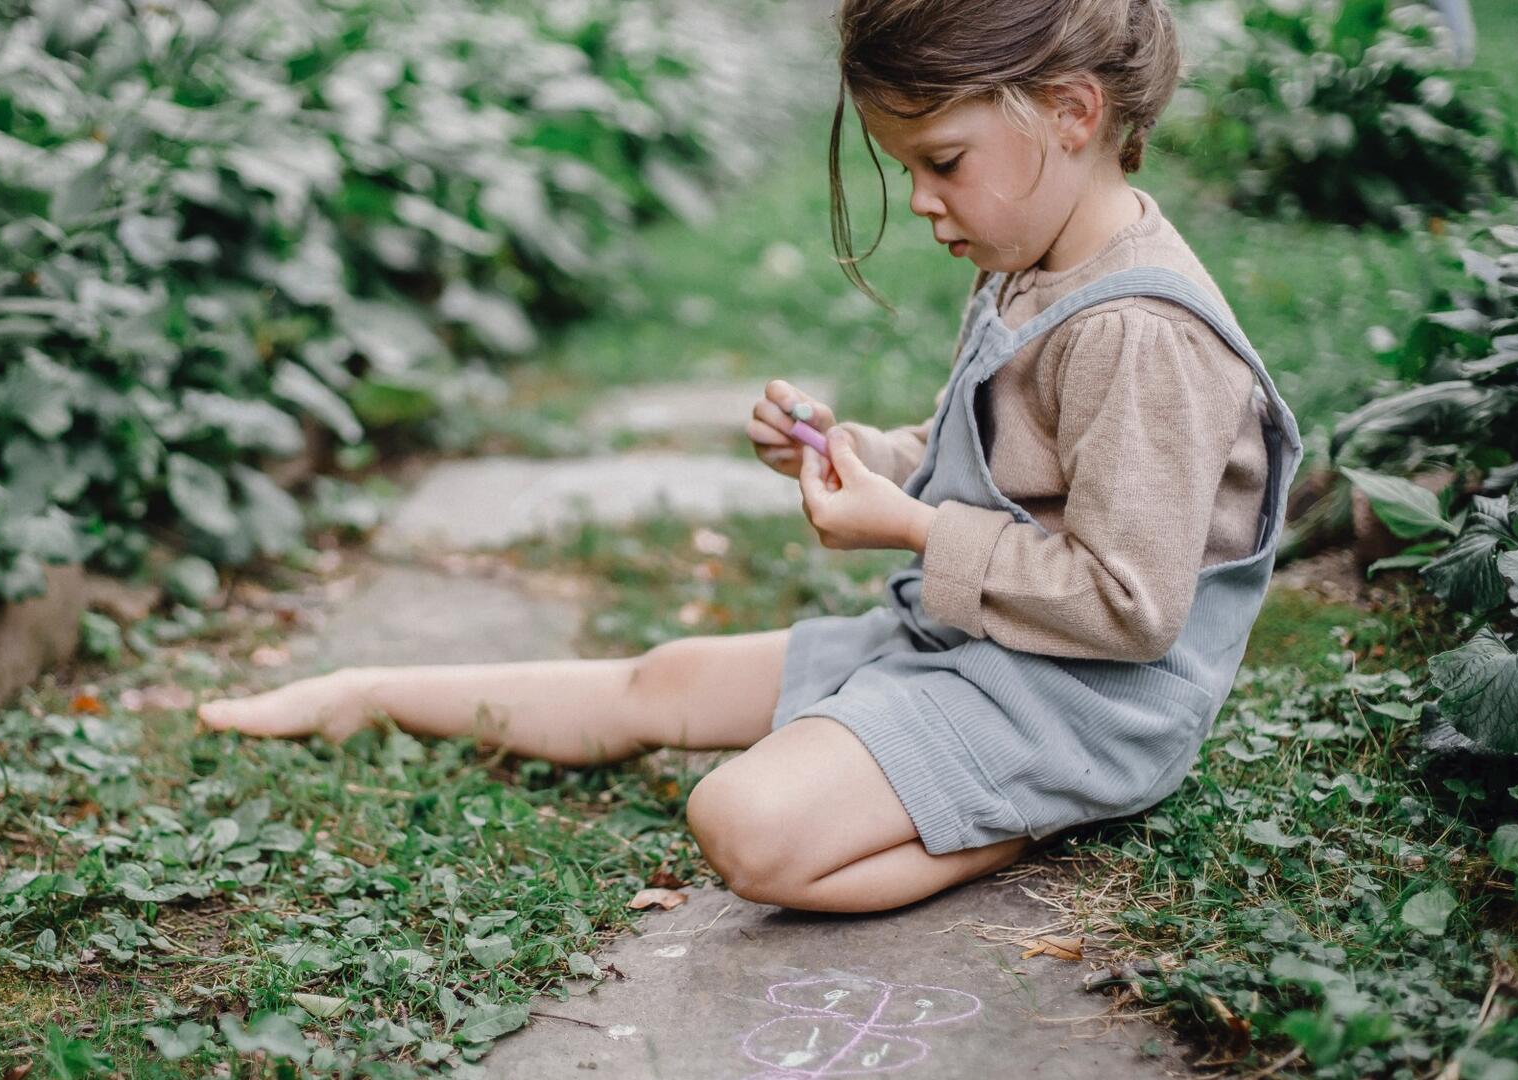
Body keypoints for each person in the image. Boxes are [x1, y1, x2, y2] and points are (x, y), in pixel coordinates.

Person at [198, 0, 1303, 915]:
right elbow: (994, 460)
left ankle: (1035, 815)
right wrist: (857, 452)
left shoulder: (1140, 333)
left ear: (1071, 113)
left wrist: (913, 529)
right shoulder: (1037, 259)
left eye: (942, 162)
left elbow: (1129, 604)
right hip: (980, 644)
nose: (921, 199)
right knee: (665, 679)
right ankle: (366, 689)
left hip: (1082, 703)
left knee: (745, 825)